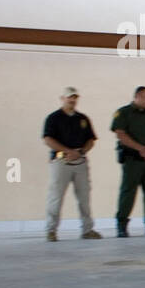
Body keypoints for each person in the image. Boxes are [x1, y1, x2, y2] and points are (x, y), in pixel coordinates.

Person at [42, 87, 101, 242]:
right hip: (61, 161)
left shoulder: (82, 118)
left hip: (80, 162)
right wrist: (68, 151)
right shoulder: (53, 118)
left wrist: (80, 152)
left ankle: (87, 230)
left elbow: (91, 140)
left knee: (84, 197)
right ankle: (51, 230)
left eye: (75, 97)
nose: (72, 100)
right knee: (56, 197)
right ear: (62, 98)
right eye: (69, 97)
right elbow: (48, 139)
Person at [111, 86, 145, 237]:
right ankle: (122, 225)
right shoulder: (123, 113)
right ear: (137, 96)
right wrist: (140, 148)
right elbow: (120, 134)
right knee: (128, 192)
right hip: (132, 160)